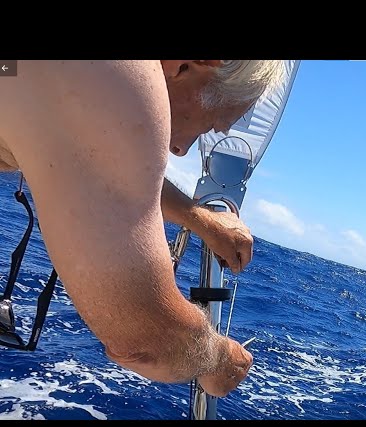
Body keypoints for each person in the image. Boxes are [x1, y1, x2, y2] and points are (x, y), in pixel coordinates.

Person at [0, 60, 286, 397]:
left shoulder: (79, 80)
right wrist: (220, 359)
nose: (181, 148)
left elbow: (99, 157)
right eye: (209, 124)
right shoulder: (121, 76)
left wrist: (199, 217)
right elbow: (145, 341)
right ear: (187, 66)